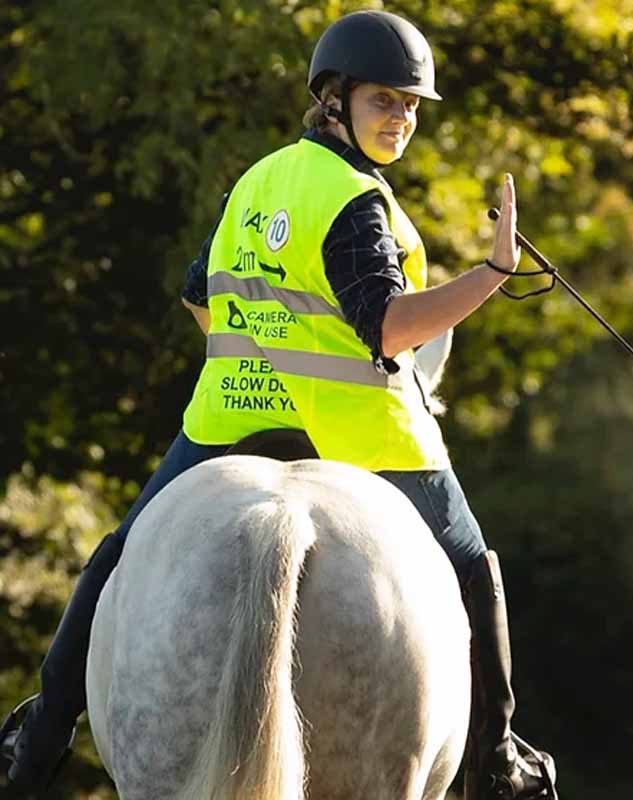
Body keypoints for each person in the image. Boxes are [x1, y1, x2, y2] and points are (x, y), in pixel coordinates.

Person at [0, 11, 556, 800]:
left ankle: (38, 741)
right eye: (383, 102)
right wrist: (495, 270)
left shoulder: (256, 183)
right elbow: (392, 326)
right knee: (471, 563)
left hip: (228, 420)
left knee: (120, 555)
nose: (400, 119)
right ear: (334, 100)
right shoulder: (358, 200)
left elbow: (200, 296)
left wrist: (264, 346)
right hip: (359, 433)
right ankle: (499, 761)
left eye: (409, 106)